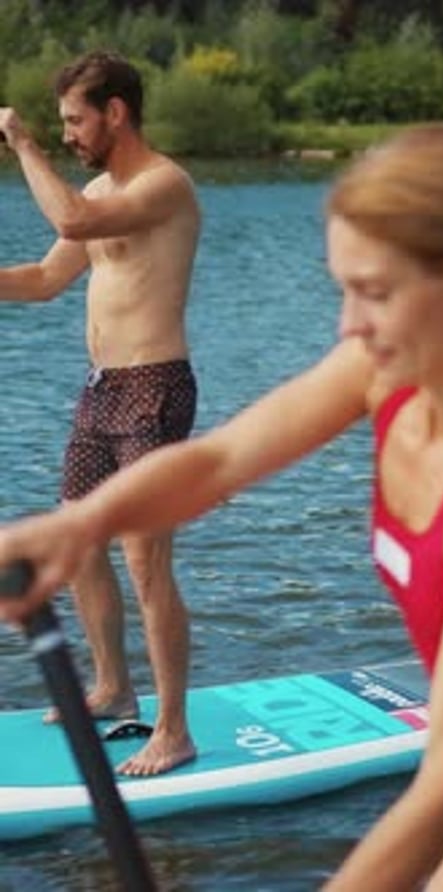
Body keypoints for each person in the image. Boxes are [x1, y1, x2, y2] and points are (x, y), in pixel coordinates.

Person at [0, 122, 443, 890]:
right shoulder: (385, 367)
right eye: (342, 289)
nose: (347, 325)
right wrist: (81, 523)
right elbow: (220, 459)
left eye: (374, 293)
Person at [0, 50, 201, 776]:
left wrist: (20, 141)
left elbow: (73, 220)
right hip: (101, 389)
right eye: (56, 125)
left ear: (115, 112)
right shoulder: (100, 187)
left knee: (147, 563)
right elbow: (47, 277)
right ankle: (114, 687)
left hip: (155, 386)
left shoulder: (163, 185)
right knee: (78, 538)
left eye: (75, 120)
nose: (68, 135)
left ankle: (173, 728)